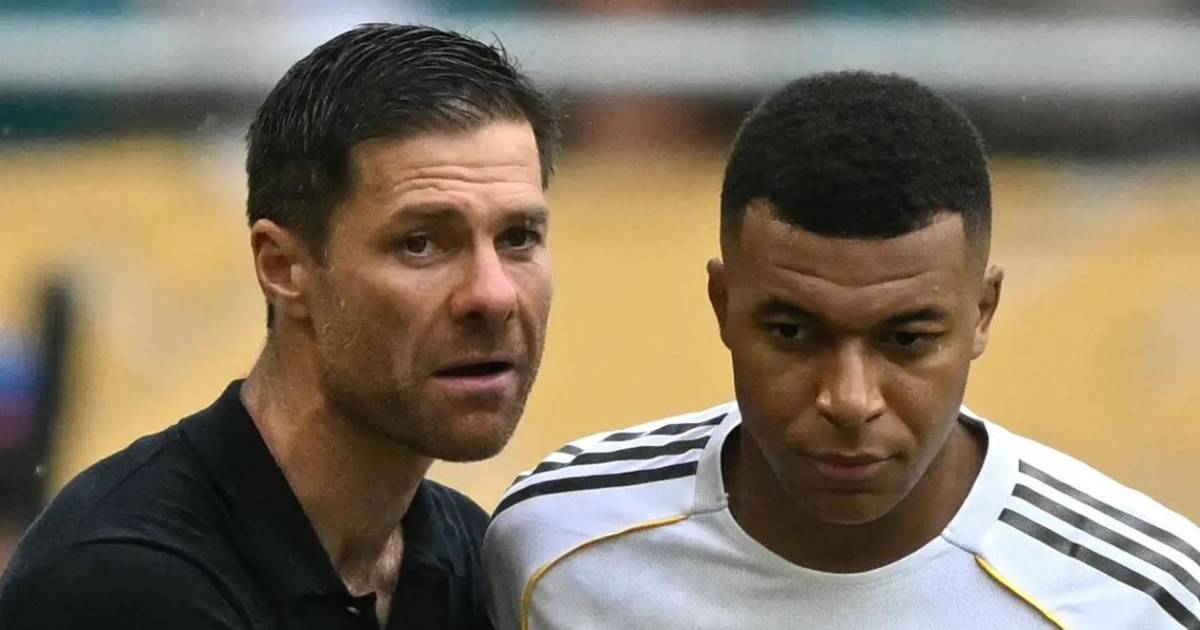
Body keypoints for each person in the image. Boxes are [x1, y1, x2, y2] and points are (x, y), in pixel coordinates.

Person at [483, 71, 1200, 629]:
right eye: (793, 334)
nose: (850, 401)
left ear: (982, 312)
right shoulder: (556, 544)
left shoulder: (1148, 596)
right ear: (724, 305)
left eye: (907, 340)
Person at [0, 23, 559, 630]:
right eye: (420, 243)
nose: (493, 295)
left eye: (518, 237)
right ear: (283, 268)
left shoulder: (475, 562)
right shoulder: (122, 581)